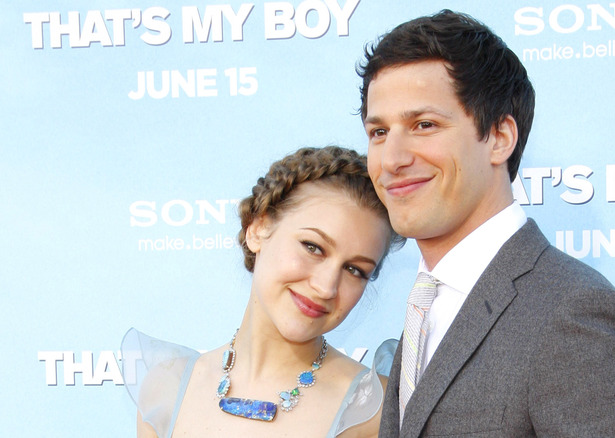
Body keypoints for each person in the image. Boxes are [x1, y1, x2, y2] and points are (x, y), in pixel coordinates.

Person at [358, 10, 615, 437]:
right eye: (378, 133)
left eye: (424, 125)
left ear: (501, 138)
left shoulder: (576, 317)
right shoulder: (426, 303)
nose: (392, 159)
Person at [121, 146, 404, 437]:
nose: (326, 286)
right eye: (313, 248)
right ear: (257, 229)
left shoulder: (373, 411)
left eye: (355, 270)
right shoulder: (166, 388)